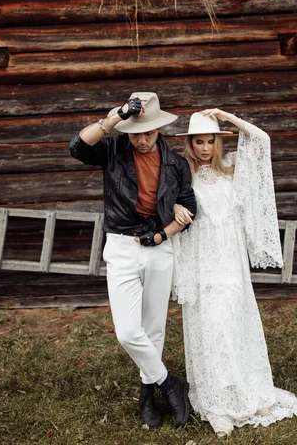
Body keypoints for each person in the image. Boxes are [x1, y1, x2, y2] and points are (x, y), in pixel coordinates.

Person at [172, 109, 297, 438]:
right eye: (199, 142)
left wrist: (227, 117)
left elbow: (261, 140)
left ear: (218, 142)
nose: (205, 148)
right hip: (201, 259)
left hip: (230, 261)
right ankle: (216, 403)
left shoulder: (232, 167)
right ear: (190, 144)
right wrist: (174, 208)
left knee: (233, 323)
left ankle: (247, 390)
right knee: (211, 327)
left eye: (211, 141)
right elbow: (165, 201)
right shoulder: (181, 173)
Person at [69, 92, 196, 430]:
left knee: (153, 329)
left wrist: (165, 232)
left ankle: (147, 399)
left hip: (159, 247)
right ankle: (171, 384)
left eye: (147, 133)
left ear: (159, 130)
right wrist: (114, 119)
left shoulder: (176, 164)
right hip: (122, 245)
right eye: (135, 133)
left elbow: (188, 205)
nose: (141, 140)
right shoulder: (113, 150)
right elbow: (77, 148)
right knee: (128, 331)